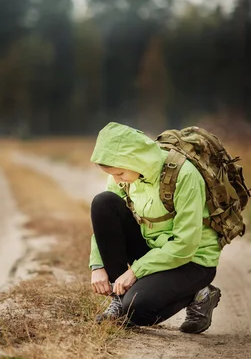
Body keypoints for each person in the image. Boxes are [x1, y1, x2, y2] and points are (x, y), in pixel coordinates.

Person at [89, 122, 222, 334]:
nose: (116, 179)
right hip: (154, 250)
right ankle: (119, 298)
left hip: (192, 260)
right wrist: (98, 265)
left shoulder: (185, 174)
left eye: (119, 173)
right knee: (103, 203)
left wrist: (135, 271)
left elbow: (185, 245)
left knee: (136, 311)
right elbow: (105, 225)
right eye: (113, 174)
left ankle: (199, 293)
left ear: (134, 160)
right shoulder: (123, 174)